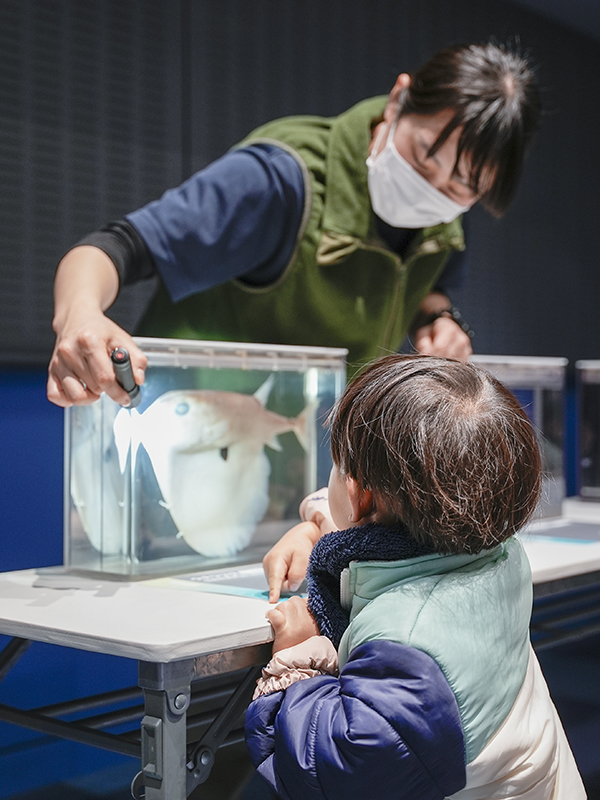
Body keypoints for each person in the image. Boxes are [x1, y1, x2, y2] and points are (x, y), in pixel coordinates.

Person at [47, 41, 541, 408]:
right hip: (184, 433)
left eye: (461, 186)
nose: (431, 190)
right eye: (422, 158)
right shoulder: (280, 180)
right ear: (398, 99)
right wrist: (80, 316)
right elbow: (114, 247)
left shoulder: (447, 216)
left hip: (303, 459)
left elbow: (429, 290)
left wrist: (437, 322)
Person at [248, 354, 585, 800]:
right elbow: (389, 525)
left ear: (359, 494)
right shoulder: (493, 546)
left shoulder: (409, 644)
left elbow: (332, 770)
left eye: (336, 463)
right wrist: (313, 525)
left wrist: (297, 660)